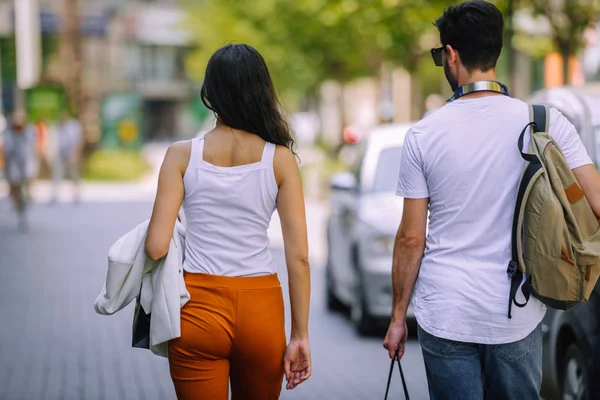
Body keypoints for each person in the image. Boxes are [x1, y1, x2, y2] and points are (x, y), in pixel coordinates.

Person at [383, 1, 600, 399]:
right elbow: (596, 204)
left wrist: (398, 317)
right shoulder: (546, 122)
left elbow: (411, 239)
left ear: (450, 55)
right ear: (496, 52)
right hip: (515, 311)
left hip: (447, 311)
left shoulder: (424, 134)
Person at [144, 44, 312, 400]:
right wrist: (299, 336)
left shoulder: (180, 155)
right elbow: (299, 258)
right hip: (261, 310)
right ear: (262, 89)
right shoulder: (280, 160)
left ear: (210, 92)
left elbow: (156, 247)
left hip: (197, 308)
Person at [3, 110, 38, 227]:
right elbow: (5, 150)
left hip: (27, 164)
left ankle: (28, 199)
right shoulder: (9, 134)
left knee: (29, 185)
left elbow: (33, 148)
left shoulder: (29, 132)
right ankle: (19, 207)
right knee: (14, 187)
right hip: (13, 164)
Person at [50, 113, 83, 203]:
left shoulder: (73, 127)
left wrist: (75, 154)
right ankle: (54, 195)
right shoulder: (56, 128)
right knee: (57, 174)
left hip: (71, 152)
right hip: (60, 153)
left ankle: (76, 195)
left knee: (74, 175)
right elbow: (54, 142)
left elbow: (78, 141)